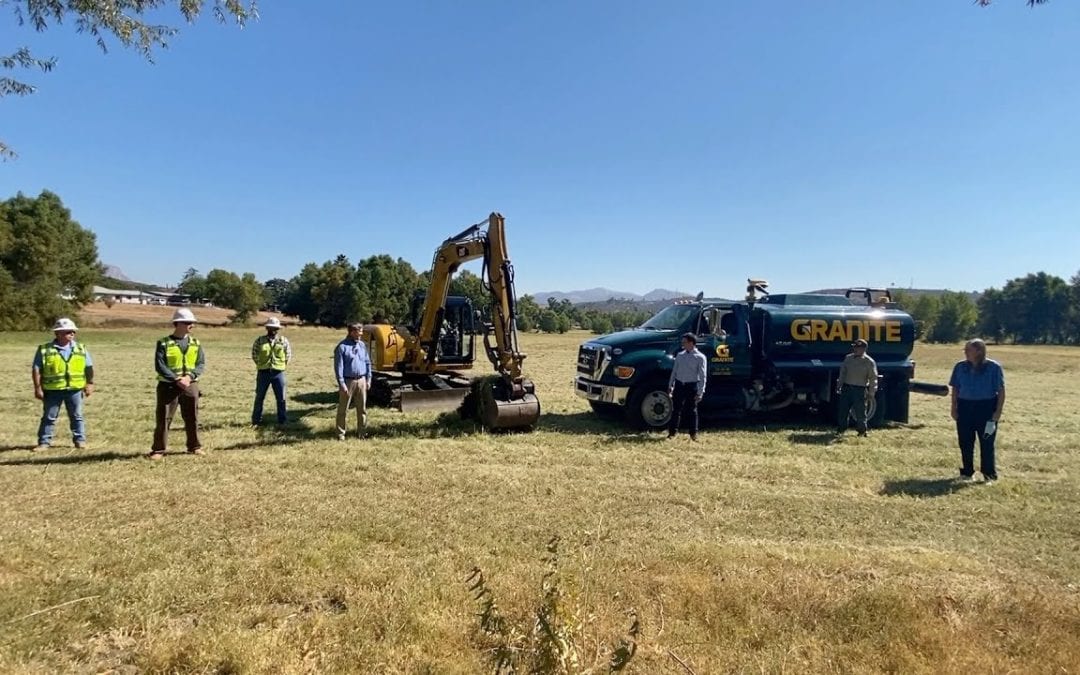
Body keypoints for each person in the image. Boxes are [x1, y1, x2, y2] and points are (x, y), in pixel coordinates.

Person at [31, 318, 94, 451]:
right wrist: (37, 388)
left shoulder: (80, 348)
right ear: (58, 333)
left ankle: (80, 441)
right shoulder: (44, 350)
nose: (72, 334)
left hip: (74, 389)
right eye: (68, 332)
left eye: (73, 332)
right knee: (49, 417)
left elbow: (89, 367)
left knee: (77, 416)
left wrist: (90, 383)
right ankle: (44, 442)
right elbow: (36, 369)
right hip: (53, 390)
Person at [150, 308, 205, 459]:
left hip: (190, 384)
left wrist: (189, 377)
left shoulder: (196, 343)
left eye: (192, 323)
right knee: (164, 418)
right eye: (188, 322)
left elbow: (200, 364)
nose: (191, 326)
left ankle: (194, 446)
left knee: (192, 417)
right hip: (168, 385)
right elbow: (160, 365)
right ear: (178, 323)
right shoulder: (163, 343)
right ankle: (158, 449)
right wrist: (176, 379)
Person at [950, 338, 1005, 483]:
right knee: (965, 441)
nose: (965, 352)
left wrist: (997, 412)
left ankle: (989, 475)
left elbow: (1001, 390)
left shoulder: (994, 368)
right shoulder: (960, 367)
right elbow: (955, 388)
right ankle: (967, 473)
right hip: (965, 407)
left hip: (986, 408)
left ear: (979, 351)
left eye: (969, 350)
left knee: (987, 442)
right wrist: (954, 407)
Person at [251, 316, 292, 425]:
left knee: (281, 398)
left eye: (275, 328)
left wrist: (281, 366)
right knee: (259, 397)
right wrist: (261, 365)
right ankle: (256, 421)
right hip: (263, 373)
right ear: (267, 328)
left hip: (279, 373)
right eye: (271, 328)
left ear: (278, 329)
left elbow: (288, 355)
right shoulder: (260, 341)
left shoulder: (283, 341)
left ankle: (282, 420)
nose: (273, 330)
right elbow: (254, 354)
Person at [334, 322, 372, 440]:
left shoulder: (362, 345)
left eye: (361, 333)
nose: (360, 335)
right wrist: (342, 384)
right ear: (351, 332)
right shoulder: (342, 347)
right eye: (358, 333)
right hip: (348, 381)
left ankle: (362, 432)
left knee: (362, 409)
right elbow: (338, 367)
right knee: (343, 409)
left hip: (361, 380)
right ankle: (341, 433)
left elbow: (367, 362)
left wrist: (368, 378)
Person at [668, 332, 707, 440]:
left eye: (684, 342)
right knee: (676, 410)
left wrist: (700, 391)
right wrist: (670, 385)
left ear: (691, 343)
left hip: (692, 385)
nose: (683, 344)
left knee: (692, 410)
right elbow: (674, 372)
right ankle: (672, 432)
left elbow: (703, 376)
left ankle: (693, 433)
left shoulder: (700, 357)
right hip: (680, 384)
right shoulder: (680, 356)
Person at [836, 338, 878, 436]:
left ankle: (862, 431)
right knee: (843, 410)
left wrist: (871, 392)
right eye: (854, 347)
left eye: (858, 348)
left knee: (860, 411)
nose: (855, 349)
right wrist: (839, 385)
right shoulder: (848, 358)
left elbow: (873, 378)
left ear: (864, 349)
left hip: (860, 389)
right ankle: (841, 429)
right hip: (847, 387)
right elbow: (843, 372)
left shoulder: (869, 362)